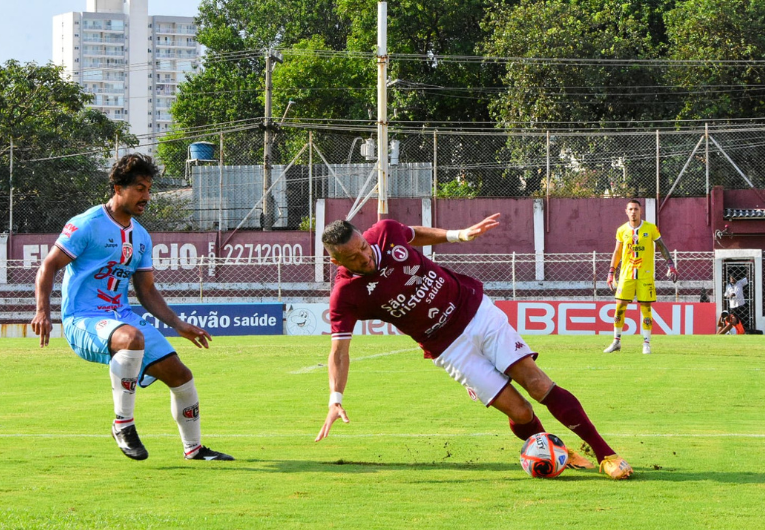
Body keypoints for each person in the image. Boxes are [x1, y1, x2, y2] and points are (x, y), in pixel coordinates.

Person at [315, 214, 633, 479]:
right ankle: (554, 447)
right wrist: (335, 398)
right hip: (448, 348)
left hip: (476, 311)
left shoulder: (385, 232)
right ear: (335, 259)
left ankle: (607, 455)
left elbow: (415, 234)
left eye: (363, 247)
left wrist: (458, 235)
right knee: (520, 413)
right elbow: (339, 351)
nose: (365, 256)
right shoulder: (346, 295)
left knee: (536, 383)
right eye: (354, 256)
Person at [31, 153, 233, 462]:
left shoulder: (141, 236)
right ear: (117, 187)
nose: (147, 196)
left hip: (122, 318)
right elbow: (48, 267)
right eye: (140, 188)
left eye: (149, 189)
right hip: (83, 319)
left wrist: (178, 325)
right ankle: (122, 424)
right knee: (131, 338)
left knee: (182, 377)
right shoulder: (86, 224)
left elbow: (146, 290)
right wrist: (42, 311)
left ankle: (194, 449)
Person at [604, 199, 678, 355]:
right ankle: (616, 341)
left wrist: (670, 265)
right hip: (626, 275)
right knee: (620, 307)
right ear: (626, 211)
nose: (633, 212)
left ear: (640, 211)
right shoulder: (621, 230)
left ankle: (646, 343)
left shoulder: (650, 228)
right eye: (630, 209)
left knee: (646, 308)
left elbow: (662, 246)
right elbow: (617, 252)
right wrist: (611, 272)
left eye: (636, 209)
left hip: (645, 275)